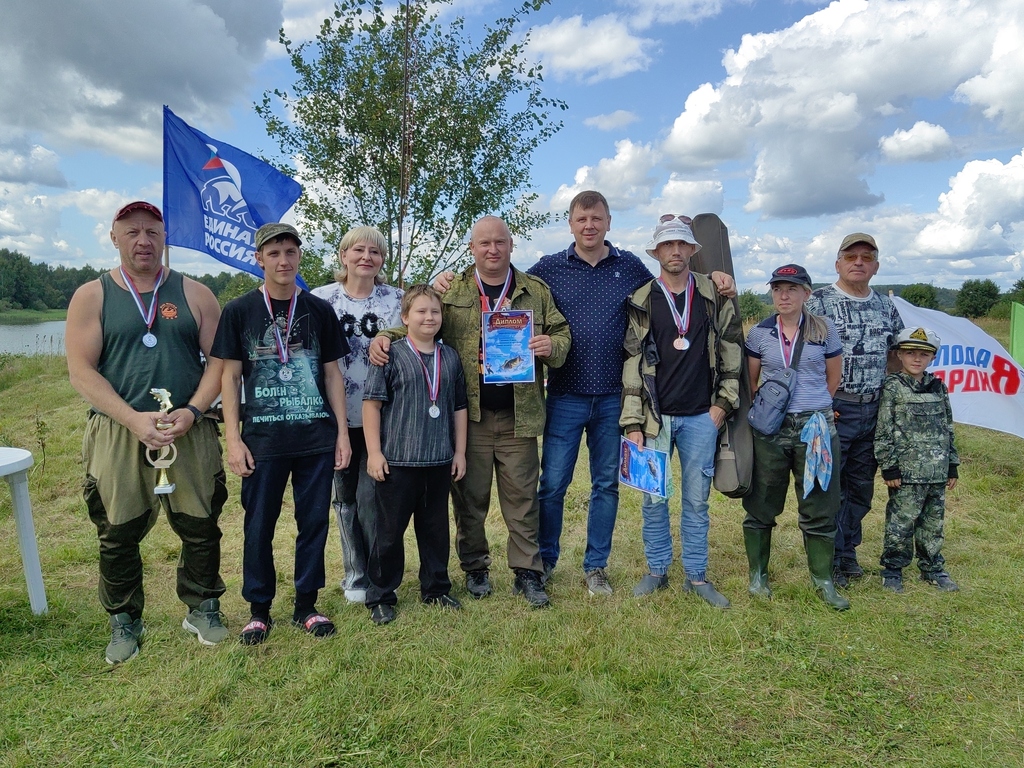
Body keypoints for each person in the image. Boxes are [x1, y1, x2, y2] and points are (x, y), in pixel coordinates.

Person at [526, 191, 735, 596]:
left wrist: (719, 276)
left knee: (606, 484)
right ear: (570, 223)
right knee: (552, 484)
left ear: (608, 222)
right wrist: (450, 278)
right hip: (566, 395)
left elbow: (676, 279)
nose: (590, 225)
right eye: (582, 218)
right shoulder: (548, 268)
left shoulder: (631, 266)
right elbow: (507, 286)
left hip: (617, 399)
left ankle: (596, 567)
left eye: (597, 218)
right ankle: (544, 563)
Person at [370, 215, 570, 607]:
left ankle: (528, 573)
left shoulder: (535, 290)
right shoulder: (452, 290)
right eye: (484, 243)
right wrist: (385, 335)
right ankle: (475, 568)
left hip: (519, 415)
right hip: (469, 417)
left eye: (500, 242)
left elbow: (562, 333)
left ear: (511, 245)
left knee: (523, 499)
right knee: (469, 500)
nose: (492, 250)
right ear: (472, 248)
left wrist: (552, 346)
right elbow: (418, 321)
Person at [67, 201, 228, 664]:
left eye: (153, 232)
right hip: (120, 430)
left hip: (188, 429)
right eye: (132, 232)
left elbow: (219, 362)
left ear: (165, 238)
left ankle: (202, 608)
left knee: (200, 524)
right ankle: (124, 619)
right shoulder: (92, 295)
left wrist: (195, 410)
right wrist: (133, 419)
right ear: (114, 238)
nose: (143, 240)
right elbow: (81, 370)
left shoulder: (196, 294)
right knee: (117, 530)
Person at [212, 223, 352, 645]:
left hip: (315, 437)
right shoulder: (238, 311)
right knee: (259, 525)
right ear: (259, 258)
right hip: (262, 441)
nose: (283, 260)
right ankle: (259, 609)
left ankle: (306, 605)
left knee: (313, 524)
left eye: (291, 252)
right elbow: (229, 377)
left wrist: (342, 434)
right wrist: (233, 440)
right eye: (274, 254)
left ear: (299, 256)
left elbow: (332, 375)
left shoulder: (318, 309)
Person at [620, 215, 743, 607]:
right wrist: (634, 422)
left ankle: (697, 575)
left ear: (692, 250)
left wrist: (722, 404)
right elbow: (632, 364)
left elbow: (732, 348)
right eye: (667, 245)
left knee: (696, 501)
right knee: (654, 499)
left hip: (701, 418)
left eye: (681, 244)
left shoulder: (713, 293)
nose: (675, 251)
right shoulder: (641, 299)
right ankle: (656, 569)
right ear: (656, 252)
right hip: (655, 419)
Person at [742, 264, 849, 611]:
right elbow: (751, 381)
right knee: (761, 504)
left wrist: (813, 406)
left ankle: (823, 580)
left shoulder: (824, 330)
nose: (783, 295)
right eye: (777, 289)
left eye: (791, 289)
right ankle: (758, 576)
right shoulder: (759, 333)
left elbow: (833, 378)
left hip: (815, 428)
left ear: (807, 293)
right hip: (771, 430)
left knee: (819, 504)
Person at [362, 285, 468, 625]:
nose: (429, 317)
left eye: (435, 312)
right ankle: (380, 595)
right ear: (405, 317)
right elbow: (372, 405)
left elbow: (459, 409)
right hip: (398, 462)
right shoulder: (390, 354)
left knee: (436, 531)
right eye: (421, 311)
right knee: (389, 533)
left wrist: (460, 452)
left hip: (438, 460)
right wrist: (374, 453)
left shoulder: (449, 357)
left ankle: (435, 588)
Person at [311, 226, 403, 604]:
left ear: (383, 260)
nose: (367, 257)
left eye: (375, 252)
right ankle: (355, 573)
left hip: (384, 414)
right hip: (337, 417)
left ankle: (380, 571)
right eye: (359, 250)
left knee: (374, 497)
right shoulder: (319, 299)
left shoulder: (397, 299)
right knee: (344, 498)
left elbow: (423, 324)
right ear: (343, 255)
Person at [805, 234, 903, 587]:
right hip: (836, 408)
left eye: (867, 257)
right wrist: (821, 403)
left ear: (876, 266)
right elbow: (801, 357)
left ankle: (848, 553)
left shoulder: (886, 306)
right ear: (838, 263)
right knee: (828, 487)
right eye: (851, 256)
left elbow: (894, 356)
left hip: (873, 410)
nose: (858, 262)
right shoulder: (818, 303)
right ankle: (827, 559)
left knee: (860, 489)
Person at [875, 327, 959, 593]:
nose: (916, 359)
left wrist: (952, 464)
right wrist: (889, 467)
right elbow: (883, 430)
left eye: (923, 354)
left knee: (933, 524)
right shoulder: (893, 387)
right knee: (901, 523)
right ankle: (893, 569)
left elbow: (947, 426)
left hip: (936, 470)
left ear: (932, 358)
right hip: (907, 473)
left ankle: (932, 567)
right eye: (910, 353)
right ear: (899, 355)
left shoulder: (938, 386)